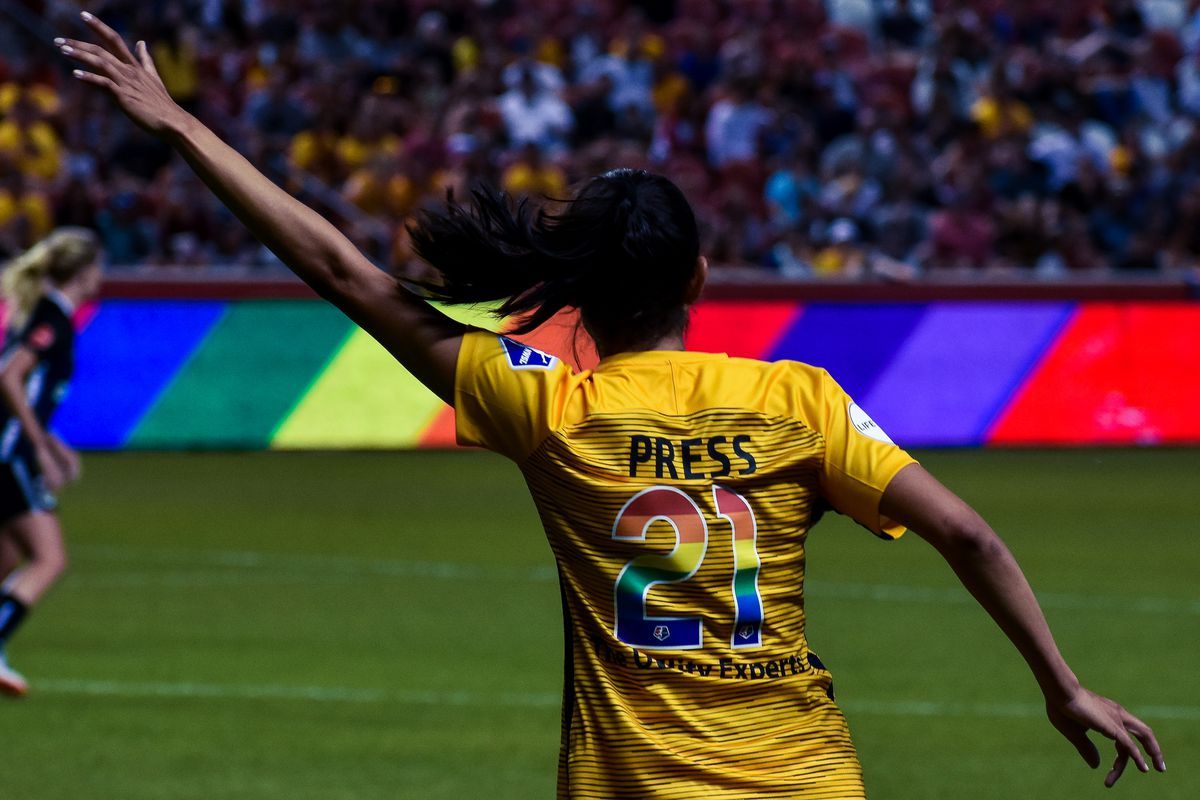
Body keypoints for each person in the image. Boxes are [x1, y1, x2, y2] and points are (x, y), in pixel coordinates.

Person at [57, 14, 1166, 796]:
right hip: (807, 778)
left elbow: (350, 275)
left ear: (580, 292)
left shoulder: (548, 405)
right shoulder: (798, 397)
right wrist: (1061, 685)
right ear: (698, 282)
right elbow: (965, 529)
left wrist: (187, 130)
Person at [0, 227, 102, 696]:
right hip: (9, 452)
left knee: (6, 556)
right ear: (84, 272)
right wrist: (38, 444)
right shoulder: (52, 319)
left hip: (11, 444)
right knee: (49, 558)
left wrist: (53, 444)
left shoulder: (48, 316)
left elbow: (32, 393)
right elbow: (10, 375)